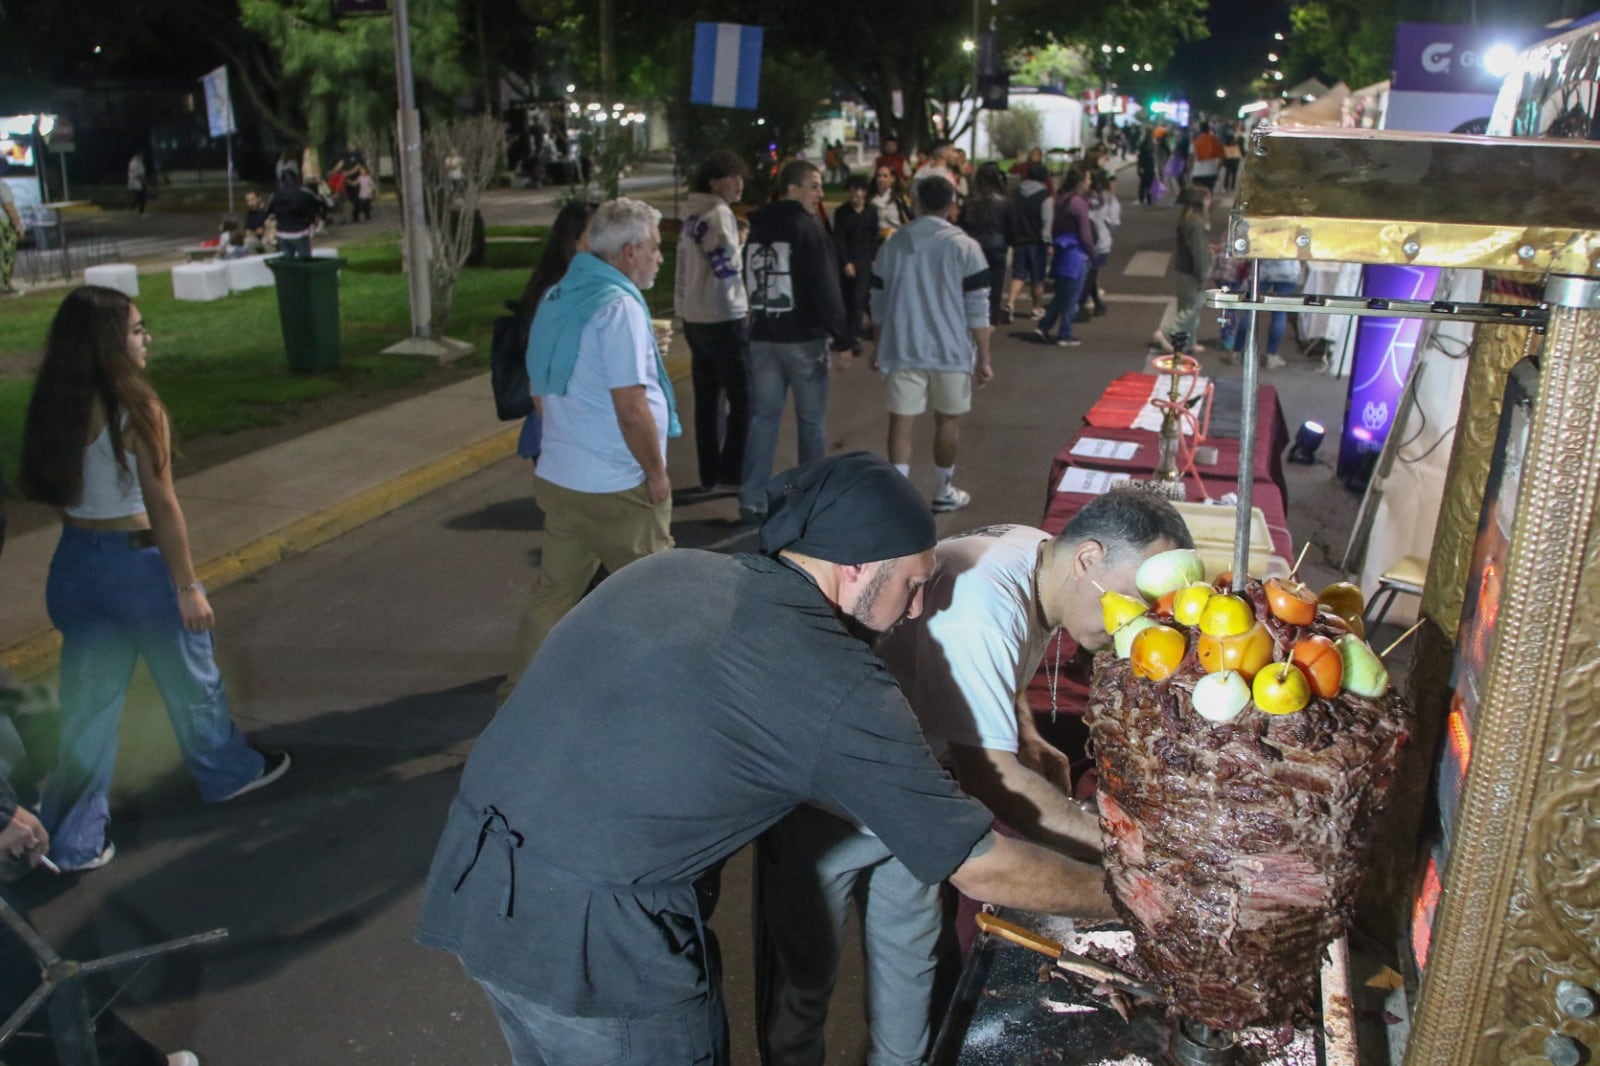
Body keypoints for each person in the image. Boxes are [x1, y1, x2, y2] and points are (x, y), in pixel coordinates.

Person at [415, 451, 1119, 1066]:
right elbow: (977, 862)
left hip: (477, 881)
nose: (914, 611)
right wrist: (1129, 898)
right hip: (599, 954)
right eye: (912, 583)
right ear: (855, 571)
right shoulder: (829, 678)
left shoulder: (675, 569)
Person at [757, 490, 1194, 1066]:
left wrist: (1025, 731)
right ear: (1088, 557)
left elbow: (986, 671)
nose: (1131, 623)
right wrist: (1128, 857)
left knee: (910, 974)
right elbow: (991, 781)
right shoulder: (985, 607)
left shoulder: (1035, 553)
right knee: (801, 981)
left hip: (916, 791)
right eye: (1136, 600)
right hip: (825, 802)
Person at [16, 287, 290, 873]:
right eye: (138, 329)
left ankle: (74, 840)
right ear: (111, 340)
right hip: (138, 565)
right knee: (192, 679)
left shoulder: (56, 403)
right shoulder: (136, 406)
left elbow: (63, 496)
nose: (147, 339)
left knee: (89, 707)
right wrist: (187, 586)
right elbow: (162, 503)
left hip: (75, 564)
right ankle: (227, 773)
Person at [500, 198, 678, 692]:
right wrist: (657, 474)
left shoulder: (560, 297)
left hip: (563, 476)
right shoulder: (617, 306)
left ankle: (516, 701)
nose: (660, 258)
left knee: (553, 597)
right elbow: (631, 407)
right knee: (660, 597)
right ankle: (665, 706)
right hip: (617, 486)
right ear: (628, 252)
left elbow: (542, 391)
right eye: (655, 249)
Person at [739, 160, 853, 525]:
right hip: (804, 339)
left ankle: (752, 497)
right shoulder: (809, 229)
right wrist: (842, 336)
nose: (820, 194)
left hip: (763, 335)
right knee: (811, 421)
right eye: (814, 186)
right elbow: (825, 286)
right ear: (793, 189)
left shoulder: (757, 228)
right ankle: (810, 499)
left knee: (763, 418)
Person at [871, 176, 992, 512]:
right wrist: (984, 357)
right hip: (951, 350)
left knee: (901, 421)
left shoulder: (894, 243)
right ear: (952, 204)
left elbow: (877, 300)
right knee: (947, 421)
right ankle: (943, 490)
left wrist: (878, 346)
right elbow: (978, 307)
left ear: (916, 202)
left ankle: (899, 499)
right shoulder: (965, 246)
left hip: (903, 345)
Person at [675, 151, 752, 496]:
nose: (739, 184)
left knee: (707, 399)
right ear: (713, 181)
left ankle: (709, 471)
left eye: (741, 177)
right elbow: (725, 268)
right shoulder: (719, 214)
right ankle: (733, 472)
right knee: (743, 399)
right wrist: (741, 247)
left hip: (694, 316)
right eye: (731, 177)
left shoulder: (692, 213)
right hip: (724, 316)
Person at [1152, 185, 1214, 355]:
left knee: (1188, 308)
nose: (1210, 202)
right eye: (1207, 198)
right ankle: (1165, 332)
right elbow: (1199, 252)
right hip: (1191, 271)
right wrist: (1203, 273)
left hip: (1183, 268)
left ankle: (1188, 342)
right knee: (1191, 309)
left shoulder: (1187, 220)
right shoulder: (1197, 224)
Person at [1038, 165, 1094, 348]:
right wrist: (1092, 252)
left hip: (1062, 251)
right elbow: (1085, 233)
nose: (1090, 183)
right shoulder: (1079, 203)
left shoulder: (1061, 201)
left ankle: (1045, 326)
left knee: (1061, 294)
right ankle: (1065, 333)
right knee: (1073, 297)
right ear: (1080, 182)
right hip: (1076, 254)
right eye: (1087, 179)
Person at [957, 162, 1011, 327]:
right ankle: (991, 320)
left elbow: (962, 224)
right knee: (995, 287)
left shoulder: (970, 201)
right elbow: (1010, 226)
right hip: (997, 246)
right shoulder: (1005, 202)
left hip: (974, 246)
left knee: (972, 285)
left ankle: (971, 318)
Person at [832, 174, 879, 354]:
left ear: (864, 192)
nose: (853, 194)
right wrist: (846, 262)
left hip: (865, 261)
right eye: (850, 191)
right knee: (847, 301)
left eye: (857, 191)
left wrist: (874, 258)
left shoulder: (871, 212)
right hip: (847, 261)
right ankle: (845, 337)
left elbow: (873, 237)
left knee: (859, 299)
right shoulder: (842, 213)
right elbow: (839, 240)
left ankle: (853, 339)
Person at [1004, 161, 1053, 321]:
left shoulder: (1016, 193)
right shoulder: (1044, 196)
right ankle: (1036, 307)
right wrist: (1048, 241)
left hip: (1019, 239)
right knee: (1037, 278)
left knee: (1018, 275)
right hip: (1037, 240)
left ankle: (1010, 303)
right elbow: (1047, 220)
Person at [1083, 168, 1121, 317]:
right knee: (1092, 273)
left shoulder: (1082, 197)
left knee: (1089, 273)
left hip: (1084, 239)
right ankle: (1091, 302)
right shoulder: (1110, 199)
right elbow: (1114, 223)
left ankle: (1092, 302)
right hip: (1102, 241)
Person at [265, 171, 327, 259]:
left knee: (288, 262)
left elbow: (268, 211)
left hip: (282, 233)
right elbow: (321, 202)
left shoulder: (276, 195)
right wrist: (318, 220)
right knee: (305, 261)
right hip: (300, 232)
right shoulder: (304, 192)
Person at [869, 165, 912, 243]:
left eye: (885, 176)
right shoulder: (870, 199)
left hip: (897, 239)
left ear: (892, 179)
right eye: (879, 176)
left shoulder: (899, 198)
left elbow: (909, 218)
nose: (881, 179)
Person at [0, 161, 21, 295]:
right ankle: (4, 286)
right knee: (7, 255)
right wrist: (18, 224)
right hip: (3, 224)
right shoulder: (2, 186)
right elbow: (9, 207)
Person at [1189, 120, 1224, 191]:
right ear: (1209, 129)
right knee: (1209, 195)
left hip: (1198, 172)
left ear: (1200, 129)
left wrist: (1189, 170)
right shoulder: (1215, 141)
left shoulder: (1195, 142)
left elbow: (1191, 158)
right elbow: (1222, 157)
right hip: (1212, 172)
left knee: (1198, 195)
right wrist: (1217, 169)